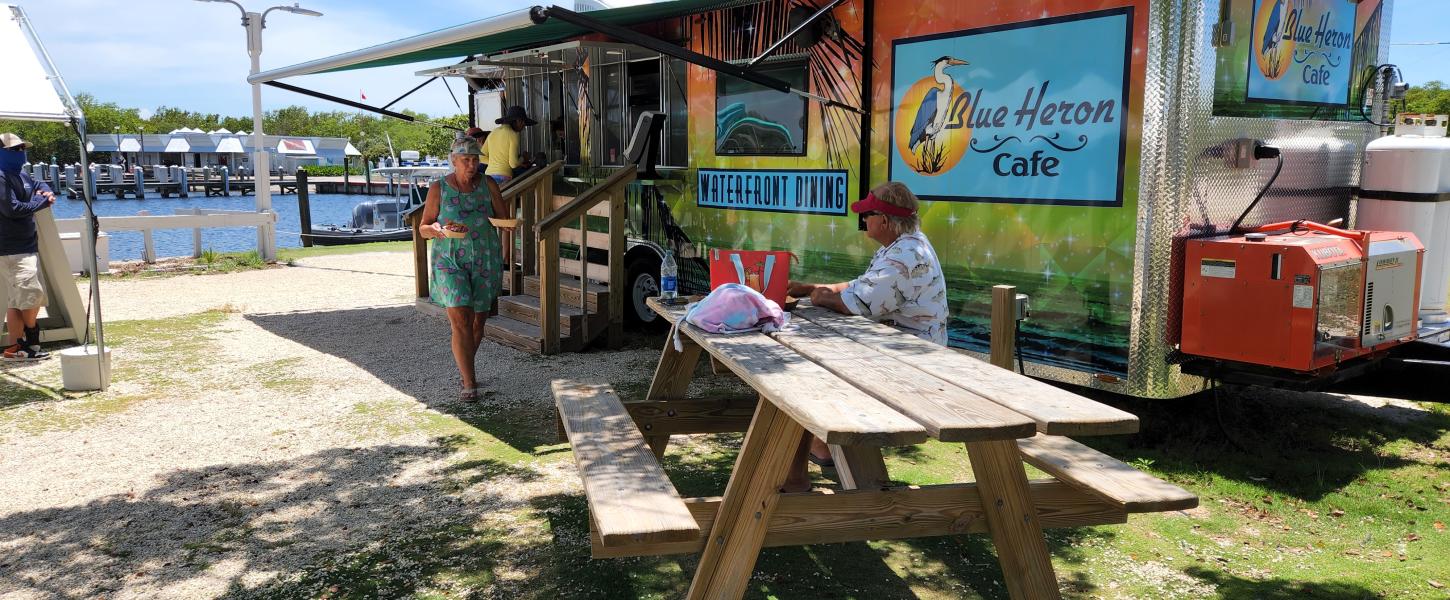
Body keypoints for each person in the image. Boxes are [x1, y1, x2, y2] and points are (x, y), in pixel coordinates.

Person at [782, 181, 948, 491]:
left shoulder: (902, 257)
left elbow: (853, 303)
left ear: (884, 221)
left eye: (867, 215)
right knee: (814, 371)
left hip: (910, 367)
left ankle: (794, 478)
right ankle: (822, 447)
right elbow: (861, 285)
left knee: (800, 379)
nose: (864, 221)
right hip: (905, 353)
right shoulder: (906, 245)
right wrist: (810, 287)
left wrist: (818, 295)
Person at [419, 137, 508, 401]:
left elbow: (502, 219)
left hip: (485, 257)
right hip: (449, 260)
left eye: (475, 159)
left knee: (479, 321)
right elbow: (424, 227)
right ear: (454, 161)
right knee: (460, 320)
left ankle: (465, 366)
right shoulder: (439, 189)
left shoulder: (488, 184)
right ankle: (469, 382)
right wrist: (434, 229)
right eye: (466, 160)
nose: (472, 165)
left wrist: (508, 226)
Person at [0, 133, 56, 361]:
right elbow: (12, 209)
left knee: (17, 301)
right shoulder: (1, 177)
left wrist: (45, 189)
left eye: (22, 148)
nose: (20, 152)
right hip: (12, 249)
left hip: (27, 245)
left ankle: (15, 347)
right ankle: (31, 342)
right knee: (32, 296)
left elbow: (37, 183)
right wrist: (41, 201)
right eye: (14, 149)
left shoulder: (20, 174)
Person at [480, 105, 536, 184]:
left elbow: (481, 157)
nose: (524, 125)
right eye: (523, 122)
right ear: (518, 121)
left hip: (488, 176)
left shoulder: (493, 132)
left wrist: (496, 162)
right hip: (503, 177)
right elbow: (513, 164)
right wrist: (524, 158)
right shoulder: (513, 134)